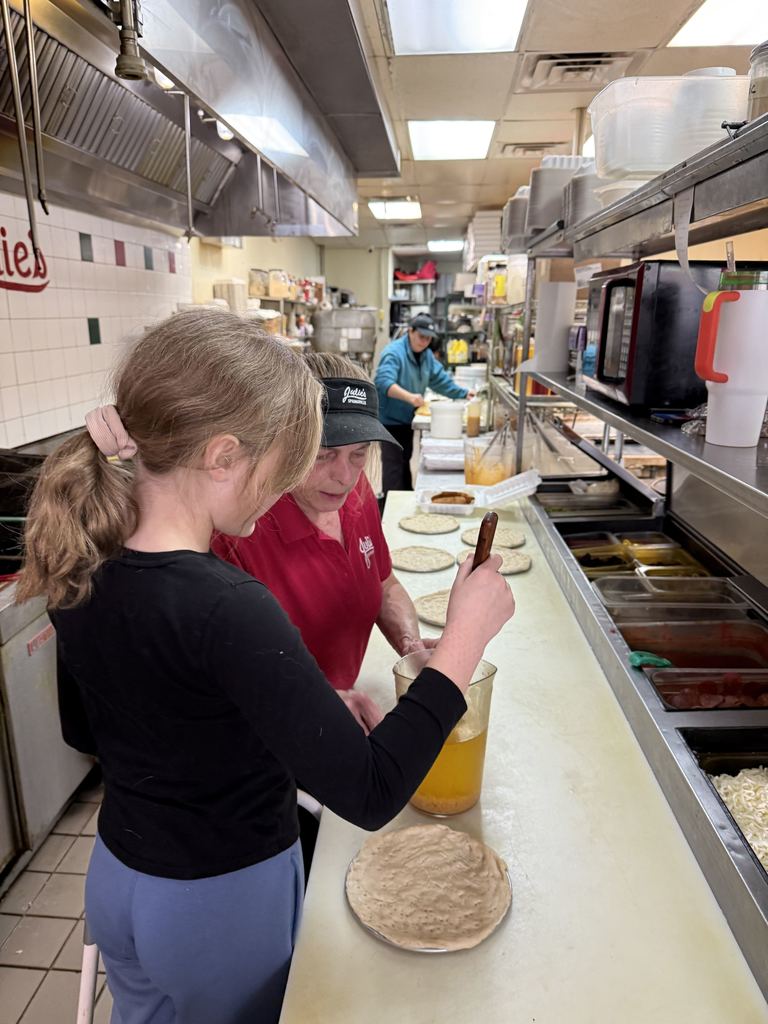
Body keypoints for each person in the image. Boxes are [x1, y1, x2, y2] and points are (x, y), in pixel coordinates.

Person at [17, 309, 514, 1024]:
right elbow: (371, 792)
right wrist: (466, 637)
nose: (288, 483)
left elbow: (87, 727)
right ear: (221, 456)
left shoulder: (85, 558)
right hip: (215, 903)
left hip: (122, 882)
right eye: (285, 459)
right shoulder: (228, 605)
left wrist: (285, 714)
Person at [214, 352, 433, 733]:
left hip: (341, 714)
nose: (344, 476)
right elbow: (223, 675)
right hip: (272, 738)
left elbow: (383, 582)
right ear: (285, 444)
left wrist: (411, 647)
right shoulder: (240, 528)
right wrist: (314, 704)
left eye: (359, 454)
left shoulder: (357, 493)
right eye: (324, 454)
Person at [374, 312, 470, 497]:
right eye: (421, 336)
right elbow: (384, 382)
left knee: (405, 460)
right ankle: (390, 506)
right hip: (390, 420)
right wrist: (410, 397)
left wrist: (464, 393)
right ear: (410, 331)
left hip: (407, 418)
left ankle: (405, 499)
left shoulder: (425, 356)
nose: (425, 341)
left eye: (428, 338)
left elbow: (440, 381)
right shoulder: (394, 352)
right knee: (393, 465)